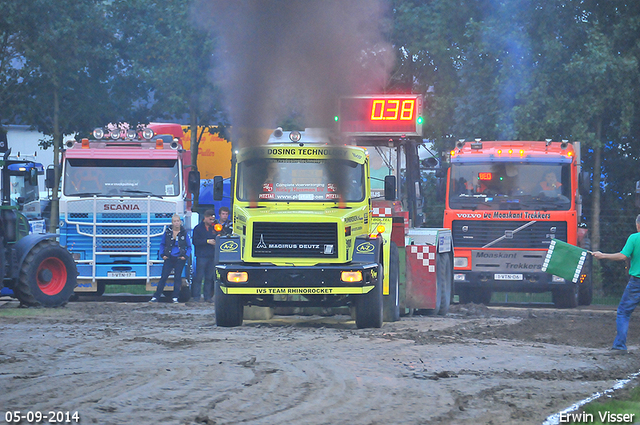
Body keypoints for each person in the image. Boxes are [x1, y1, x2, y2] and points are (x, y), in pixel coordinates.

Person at [592, 214, 640, 353]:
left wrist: (603, 255)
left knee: (623, 313)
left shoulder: (634, 238)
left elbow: (623, 256)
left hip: (636, 282)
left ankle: (619, 346)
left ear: (638, 225)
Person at [149, 214, 191, 303]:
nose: (176, 223)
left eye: (178, 221)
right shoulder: (168, 232)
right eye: (174, 221)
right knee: (163, 277)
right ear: (172, 223)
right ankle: (156, 296)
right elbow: (162, 244)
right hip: (169, 257)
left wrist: (185, 256)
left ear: (180, 222)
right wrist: (162, 255)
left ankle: (175, 297)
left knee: (177, 277)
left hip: (180, 258)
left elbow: (189, 246)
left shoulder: (184, 232)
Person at [191, 209, 219, 302]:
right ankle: (196, 296)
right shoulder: (198, 228)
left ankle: (207, 297)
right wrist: (207, 241)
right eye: (210, 219)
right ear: (205, 217)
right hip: (201, 256)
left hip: (212, 255)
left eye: (213, 219)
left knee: (209, 277)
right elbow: (195, 241)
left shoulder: (214, 228)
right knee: (199, 277)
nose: (212, 221)